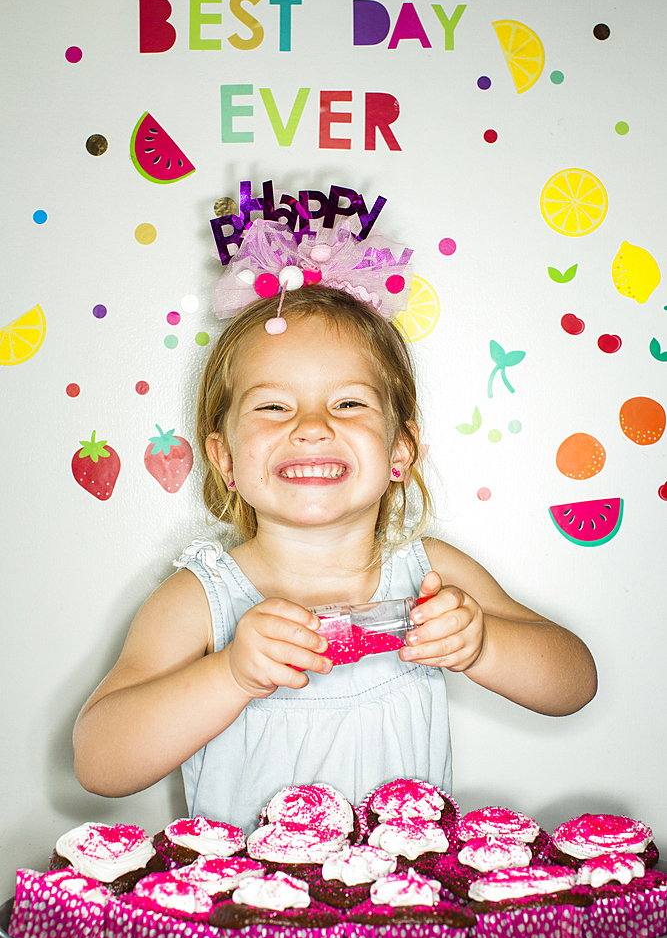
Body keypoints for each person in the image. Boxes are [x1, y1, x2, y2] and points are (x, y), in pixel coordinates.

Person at [73, 221, 597, 835]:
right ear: (225, 460)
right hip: (251, 917)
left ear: (400, 451)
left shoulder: (431, 574)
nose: (312, 426)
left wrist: (483, 646)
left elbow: (575, 683)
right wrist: (230, 674)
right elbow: (99, 762)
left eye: (348, 403)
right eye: (273, 406)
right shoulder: (200, 600)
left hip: (404, 910)